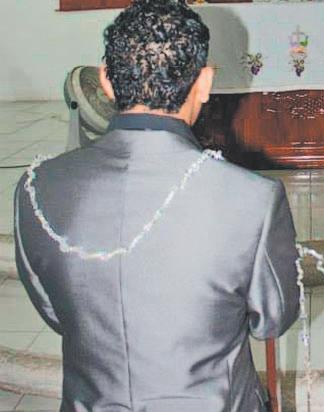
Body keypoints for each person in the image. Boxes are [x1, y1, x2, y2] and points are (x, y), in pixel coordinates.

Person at [13, 1, 300, 410]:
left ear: (106, 81)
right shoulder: (253, 198)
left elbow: (56, 313)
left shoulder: (37, 186)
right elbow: (272, 319)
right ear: (204, 82)